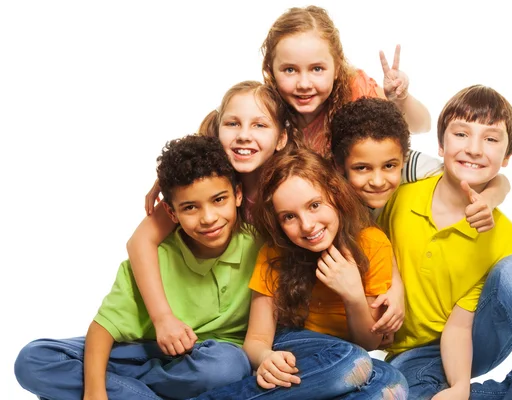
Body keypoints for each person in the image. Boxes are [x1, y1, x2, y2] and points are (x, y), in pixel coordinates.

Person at [378, 85, 512, 399]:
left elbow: (459, 326)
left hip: (476, 339)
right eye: (462, 134)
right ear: (440, 145)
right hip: (414, 354)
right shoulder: (401, 198)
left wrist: (461, 385)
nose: (474, 149)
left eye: (491, 139)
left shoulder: (502, 235)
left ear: (506, 157)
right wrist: (458, 391)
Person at [14, 135, 262, 399]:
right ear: (171, 213)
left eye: (218, 200)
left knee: (228, 366)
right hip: (142, 351)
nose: (209, 218)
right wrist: (95, 391)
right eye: (190, 207)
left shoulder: (259, 247)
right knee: (32, 360)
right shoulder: (157, 259)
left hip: (206, 360)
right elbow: (103, 327)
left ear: (237, 195)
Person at [193, 147, 408, 399]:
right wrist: (265, 358)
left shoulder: (372, 244)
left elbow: (369, 343)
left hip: (345, 357)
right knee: (352, 361)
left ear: (336, 195)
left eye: (314, 205)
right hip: (293, 347)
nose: (306, 225)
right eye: (289, 217)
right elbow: (256, 340)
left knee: (391, 385)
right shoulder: (275, 254)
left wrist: (353, 296)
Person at [129, 81, 290, 358]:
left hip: (272, 321)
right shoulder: (205, 185)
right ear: (217, 131)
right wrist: (162, 318)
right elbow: (140, 242)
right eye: (232, 124)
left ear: (281, 138)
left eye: (259, 125)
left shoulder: (288, 186)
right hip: (204, 319)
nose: (243, 135)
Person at [261, 5, 431, 156]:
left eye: (317, 69)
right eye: (290, 70)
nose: (304, 84)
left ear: (337, 67)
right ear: (271, 70)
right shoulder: (264, 107)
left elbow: (421, 126)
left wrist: (400, 99)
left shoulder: (356, 88)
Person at [330, 96, 509, 231]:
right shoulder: (327, 191)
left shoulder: (410, 165)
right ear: (339, 165)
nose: (378, 181)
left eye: (389, 166)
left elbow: (498, 181)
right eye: (362, 168)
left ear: (403, 158)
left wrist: (488, 199)